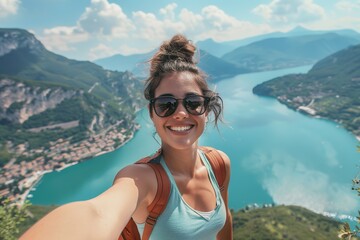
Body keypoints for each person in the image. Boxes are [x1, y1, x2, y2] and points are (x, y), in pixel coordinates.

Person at [20, 34, 232, 240]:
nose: (180, 113)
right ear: (152, 114)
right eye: (166, 105)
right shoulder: (142, 179)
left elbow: (224, 222)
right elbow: (97, 214)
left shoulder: (218, 164)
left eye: (192, 102)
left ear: (206, 108)